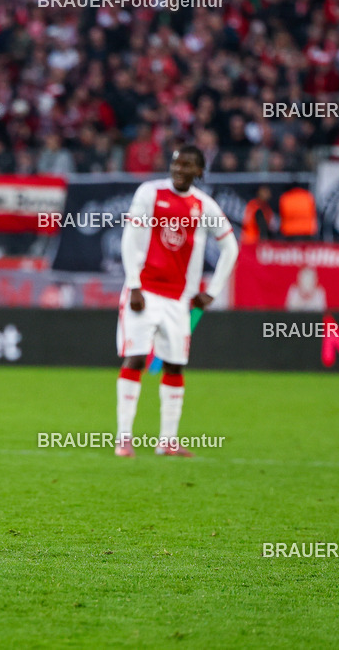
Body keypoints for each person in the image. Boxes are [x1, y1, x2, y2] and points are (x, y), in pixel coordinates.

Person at [115, 146, 239, 458]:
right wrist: (133, 285)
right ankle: (123, 438)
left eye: (187, 165)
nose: (179, 169)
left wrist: (213, 290)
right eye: (175, 163)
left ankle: (167, 441)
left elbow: (231, 248)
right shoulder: (150, 193)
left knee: (175, 364)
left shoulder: (204, 205)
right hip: (144, 291)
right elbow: (130, 237)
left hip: (179, 300)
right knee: (136, 358)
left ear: (199, 171)